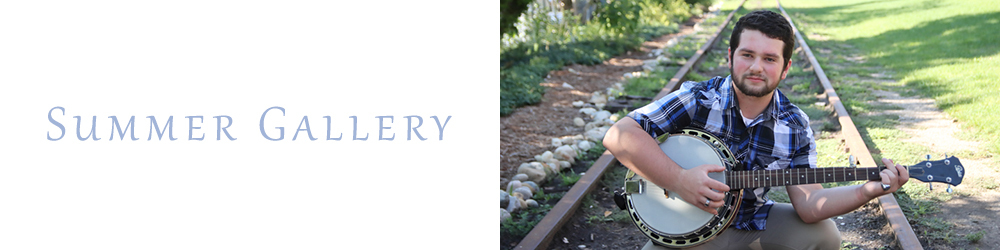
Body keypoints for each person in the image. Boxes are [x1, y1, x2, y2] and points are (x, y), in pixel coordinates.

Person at [602, 10, 909, 250]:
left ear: (786, 68)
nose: (756, 67)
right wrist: (680, 180)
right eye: (747, 55)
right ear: (730, 57)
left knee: (825, 237)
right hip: (686, 231)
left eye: (769, 59)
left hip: (752, 224)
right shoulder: (698, 99)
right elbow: (618, 135)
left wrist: (871, 189)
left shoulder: (795, 125)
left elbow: (811, 205)